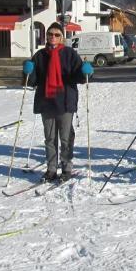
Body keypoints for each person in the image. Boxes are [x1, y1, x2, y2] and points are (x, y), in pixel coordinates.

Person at [23, 22, 92, 181]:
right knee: (49, 138)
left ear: (62, 37)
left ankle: (66, 168)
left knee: (66, 137)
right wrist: (28, 71)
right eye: (50, 34)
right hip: (46, 101)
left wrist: (86, 72)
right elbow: (32, 81)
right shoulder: (40, 55)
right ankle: (51, 168)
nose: (53, 37)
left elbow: (79, 77)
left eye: (56, 35)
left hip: (65, 101)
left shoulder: (69, 54)